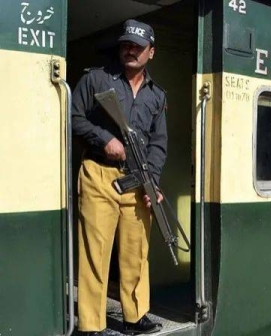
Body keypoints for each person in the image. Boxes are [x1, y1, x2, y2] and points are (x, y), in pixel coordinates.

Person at [72, 19, 167, 335]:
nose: (131, 50)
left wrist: (151, 182)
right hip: (99, 174)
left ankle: (135, 316)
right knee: (95, 252)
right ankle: (91, 324)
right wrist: (103, 139)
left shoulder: (157, 96)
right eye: (126, 44)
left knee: (136, 251)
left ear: (150, 53)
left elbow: (158, 142)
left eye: (138, 47)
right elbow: (71, 117)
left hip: (137, 180)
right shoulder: (97, 79)